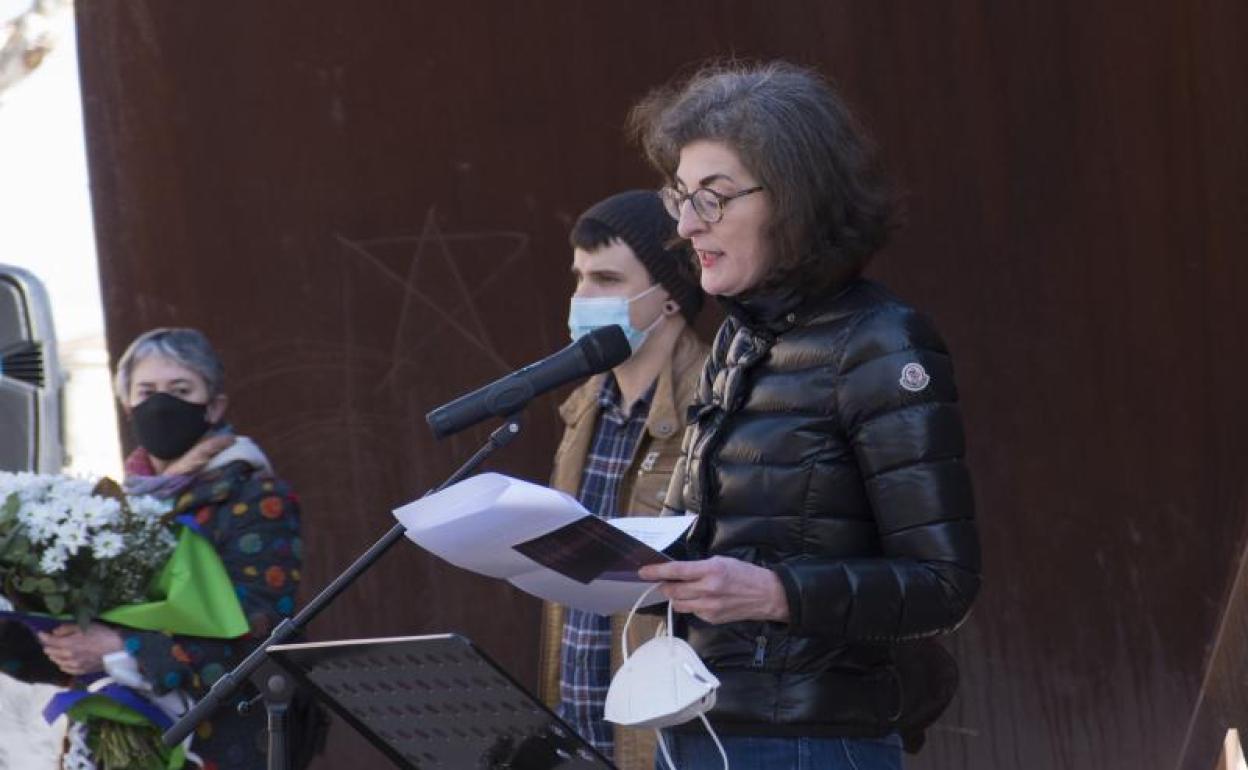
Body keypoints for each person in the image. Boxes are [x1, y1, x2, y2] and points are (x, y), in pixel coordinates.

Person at [629, 62, 982, 769]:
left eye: (714, 198)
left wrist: (774, 592)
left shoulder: (882, 342)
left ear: (797, 202)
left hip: (810, 742)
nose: (687, 225)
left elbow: (943, 584)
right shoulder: (739, 336)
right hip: (700, 722)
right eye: (680, 197)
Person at [37, 327, 308, 769]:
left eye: (181, 390)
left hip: (226, 739)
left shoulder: (257, 495)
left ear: (214, 405)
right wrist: (50, 633)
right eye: (147, 391)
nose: (161, 405)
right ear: (127, 405)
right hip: (118, 736)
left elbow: (261, 624)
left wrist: (121, 648)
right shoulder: (114, 505)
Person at [537, 190, 709, 768]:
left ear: (669, 296)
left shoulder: (714, 407)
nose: (581, 297)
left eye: (606, 279)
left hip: (663, 743)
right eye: (578, 277)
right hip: (578, 732)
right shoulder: (584, 407)